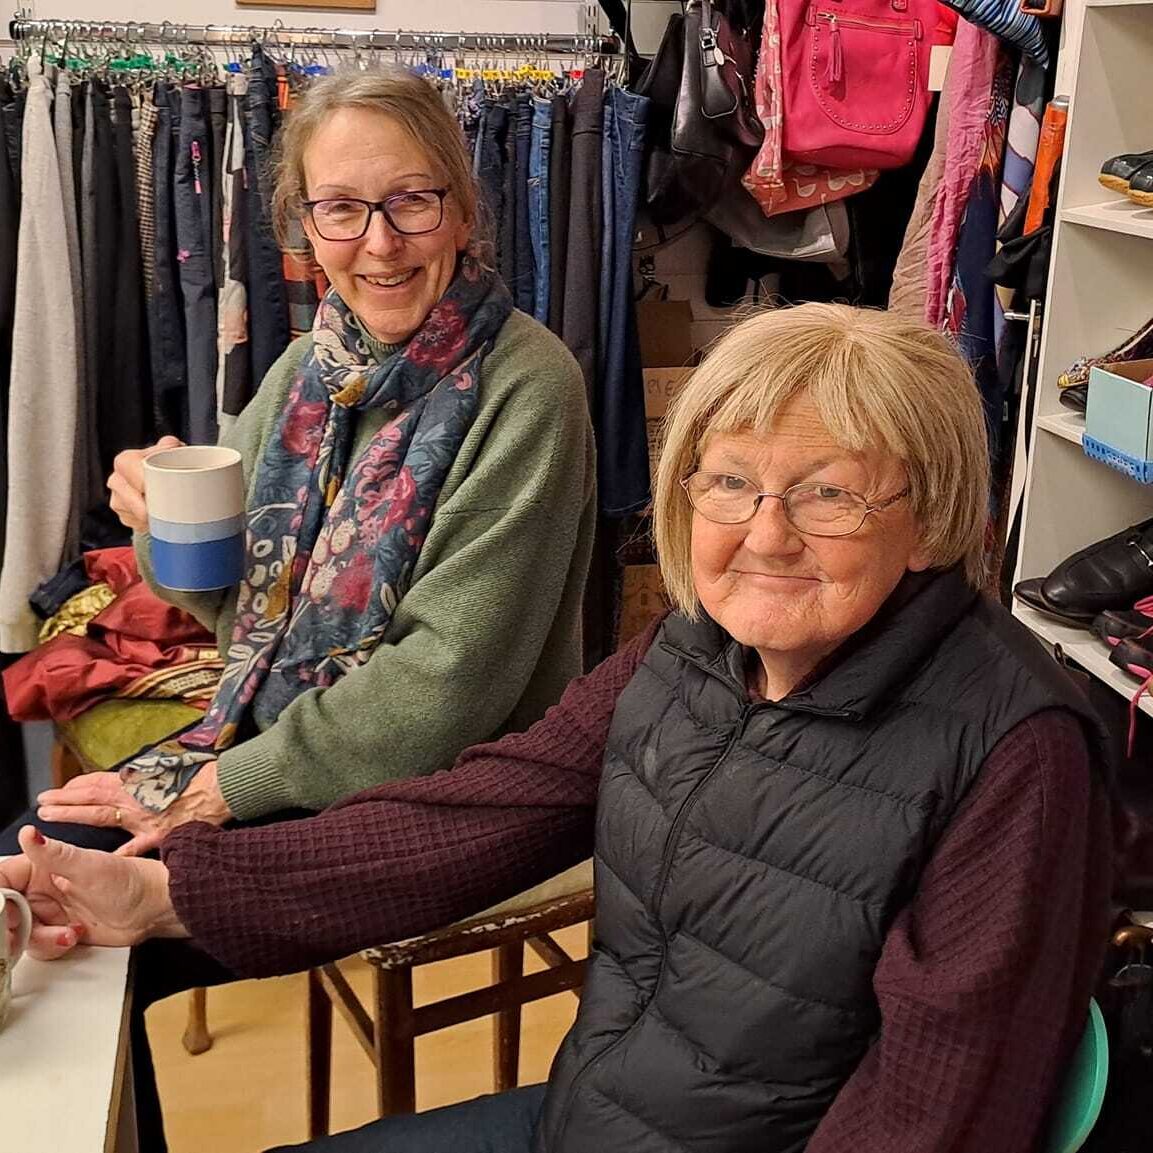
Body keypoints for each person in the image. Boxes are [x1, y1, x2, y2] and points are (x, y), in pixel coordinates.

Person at [3, 305, 1111, 1153]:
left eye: (827, 494)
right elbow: (481, 812)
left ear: (929, 522)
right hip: (594, 1116)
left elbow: (938, 1108)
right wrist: (167, 894)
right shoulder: (694, 648)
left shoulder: (1013, 752)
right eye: (727, 483)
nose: (764, 535)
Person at [0, 67, 595, 858]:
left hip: (442, 794)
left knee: (79, 893)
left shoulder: (528, 385)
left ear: (459, 213)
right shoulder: (304, 373)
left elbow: (445, 686)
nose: (380, 244)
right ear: (304, 227)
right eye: (342, 208)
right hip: (280, 743)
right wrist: (155, 518)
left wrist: (218, 789)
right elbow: (221, 600)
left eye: (412, 200)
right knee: (32, 856)